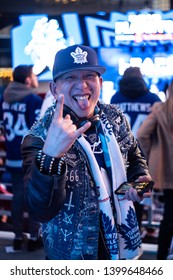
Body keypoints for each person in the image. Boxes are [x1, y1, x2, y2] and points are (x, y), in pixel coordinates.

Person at [21, 44, 152, 260]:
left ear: (100, 82)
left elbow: (134, 156)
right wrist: (51, 156)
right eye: (70, 78)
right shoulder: (39, 137)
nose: (82, 86)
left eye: (89, 75)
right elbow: (40, 211)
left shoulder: (115, 118)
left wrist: (140, 178)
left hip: (119, 246)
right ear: (55, 89)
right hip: (72, 256)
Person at [110, 67, 161, 230]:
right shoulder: (153, 99)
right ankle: (136, 234)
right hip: (145, 155)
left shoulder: (116, 98)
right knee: (139, 197)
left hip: (118, 155)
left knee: (118, 198)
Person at [0, 65, 43, 251]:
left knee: (17, 197)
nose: (35, 78)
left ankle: (18, 237)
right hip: (30, 157)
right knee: (34, 198)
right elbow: (39, 129)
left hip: (12, 155)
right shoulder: (33, 100)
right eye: (33, 75)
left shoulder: (4, 99)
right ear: (27, 80)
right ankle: (34, 238)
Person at [137, 80, 173, 260]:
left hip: (166, 171)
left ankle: (161, 258)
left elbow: (142, 134)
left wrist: (151, 156)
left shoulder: (160, 109)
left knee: (169, 215)